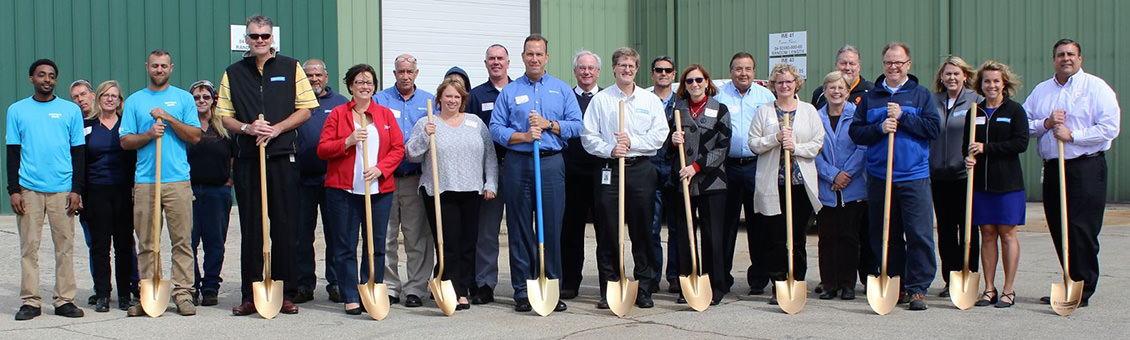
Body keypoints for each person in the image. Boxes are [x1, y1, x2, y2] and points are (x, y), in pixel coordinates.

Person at [216, 14, 318, 316]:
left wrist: (277, 129)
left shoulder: (290, 67)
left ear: (271, 37)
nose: (259, 41)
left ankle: (285, 292)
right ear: (246, 39)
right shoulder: (233, 72)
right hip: (249, 159)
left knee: (285, 227)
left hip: (282, 157)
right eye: (254, 36)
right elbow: (225, 116)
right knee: (252, 228)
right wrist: (248, 128)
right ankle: (251, 293)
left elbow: (306, 109)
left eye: (264, 36)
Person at [489, 34, 582, 313]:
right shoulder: (509, 91)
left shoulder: (562, 90)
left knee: (551, 227)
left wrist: (549, 125)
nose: (534, 58)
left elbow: (577, 125)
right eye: (529, 54)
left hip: (552, 163)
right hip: (518, 164)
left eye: (539, 54)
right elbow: (495, 128)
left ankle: (551, 285)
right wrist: (523, 135)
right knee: (519, 229)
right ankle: (522, 289)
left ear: (547, 57)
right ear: (522, 57)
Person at [1025, 39, 1120, 308]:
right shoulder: (1042, 91)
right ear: (1053, 59)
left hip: (1085, 166)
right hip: (1055, 168)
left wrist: (1073, 135)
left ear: (1080, 58)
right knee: (1059, 226)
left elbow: (1110, 128)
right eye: (1060, 55)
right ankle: (1070, 280)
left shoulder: (1095, 87)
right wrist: (1045, 123)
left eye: (1070, 54)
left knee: (1082, 229)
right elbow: (1024, 123)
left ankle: (1083, 288)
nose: (1065, 58)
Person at [849, 42, 940, 311]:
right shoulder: (870, 98)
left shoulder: (921, 95)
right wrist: (880, 128)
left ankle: (918, 288)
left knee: (919, 233)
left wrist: (903, 118)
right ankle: (895, 281)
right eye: (889, 62)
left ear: (908, 65)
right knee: (885, 233)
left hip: (913, 175)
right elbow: (856, 132)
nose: (893, 67)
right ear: (883, 64)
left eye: (899, 62)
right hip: (880, 177)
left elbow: (933, 129)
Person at [581, 46, 669, 309]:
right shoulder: (602, 100)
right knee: (608, 230)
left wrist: (633, 142)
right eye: (622, 65)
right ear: (614, 68)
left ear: (636, 69)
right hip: (609, 168)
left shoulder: (648, 101)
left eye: (631, 66)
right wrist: (610, 148)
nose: (627, 69)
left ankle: (644, 287)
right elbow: (588, 136)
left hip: (641, 168)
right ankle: (610, 287)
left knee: (643, 229)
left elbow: (659, 134)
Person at [120, 49, 203, 316]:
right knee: (147, 241)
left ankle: (183, 293)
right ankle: (148, 293)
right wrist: (148, 133)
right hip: (145, 181)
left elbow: (194, 135)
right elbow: (125, 141)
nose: (159, 70)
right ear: (147, 67)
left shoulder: (183, 98)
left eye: (163, 66)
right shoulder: (134, 101)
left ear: (171, 68)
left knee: (182, 241)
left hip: (177, 180)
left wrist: (168, 119)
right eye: (154, 66)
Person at [317, 63, 404, 315]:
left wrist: (381, 168)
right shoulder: (337, 114)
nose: (364, 86)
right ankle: (350, 294)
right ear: (350, 87)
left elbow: (398, 148)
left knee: (376, 244)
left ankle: (371, 288)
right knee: (345, 245)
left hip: (379, 190)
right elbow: (323, 149)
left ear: (374, 87)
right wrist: (348, 141)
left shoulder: (385, 115)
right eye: (359, 82)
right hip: (343, 191)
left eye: (369, 82)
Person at [406, 79, 498, 310]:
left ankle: (462, 290)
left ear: (463, 100)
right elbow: (412, 155)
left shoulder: (475, 123)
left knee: (468, 243)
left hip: (471, 190)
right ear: (439, 99)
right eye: (448, 96)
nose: (452, 101)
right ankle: (447, 286)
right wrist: (425, 136)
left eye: (457, 97)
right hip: (440, 191)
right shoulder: (427, 122)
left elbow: (490, 155)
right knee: (447, 244)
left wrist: (491, 183)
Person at [8, 59, 87, 321]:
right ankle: (30, 301)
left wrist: (76, 189)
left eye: (52, 75)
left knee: (64, 248)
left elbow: (79, 153)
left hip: (62, 190)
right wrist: (14, 190)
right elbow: (12, 152)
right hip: (28, 188)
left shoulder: (70, 111)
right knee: (28, 248)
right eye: (41, 75)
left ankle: (64, 300)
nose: (47, 79)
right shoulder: (17, 110)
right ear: (31, 78)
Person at [748, 63, 824, 305]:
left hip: (799, 184)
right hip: (774, 183)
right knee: (776, 238)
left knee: (798, 237)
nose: (784, 86)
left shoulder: (809, 111)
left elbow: (817, 143)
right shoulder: (764, 111)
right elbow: (754, 143)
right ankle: (778, 283)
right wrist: (776, 138)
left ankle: (797, 280)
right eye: (780, 82)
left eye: (789, 81)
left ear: (796, 84)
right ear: (774, 85)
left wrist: (796, 147)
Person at [809, 46, 875, 294]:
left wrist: (846, 174)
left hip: (853, 186)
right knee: (826, 239)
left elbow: (863, 148)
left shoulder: (857, 116)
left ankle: (847, 284)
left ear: (848, 92)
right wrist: (831, 174)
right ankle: (829, 284)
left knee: (849, 238)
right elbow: (812, 151)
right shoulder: (815, 117)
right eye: (831, 88)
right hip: (826, 187)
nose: (836, 92)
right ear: (824, 91)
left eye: (841, 88)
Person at [964, 60, 1028, 308]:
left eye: (995, 81)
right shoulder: (975, 112)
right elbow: (966, 146)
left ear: (1004, 84)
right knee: (987, 234)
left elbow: (1020, 143)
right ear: (980, 85)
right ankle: (989, 288)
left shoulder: (1014, 111)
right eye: (987, 81)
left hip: (1008, 185)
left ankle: (1009, 289)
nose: (991, 85)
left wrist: (986, 148)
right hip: (981, 186)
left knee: (1007, 234)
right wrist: (967, 158)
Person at [665, 64, 730, 305]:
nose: (695, 84)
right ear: (684, 85)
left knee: (713, 235)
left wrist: (697, 166)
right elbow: (665, 147)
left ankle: (715, 286)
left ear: (707, 81)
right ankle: (687, 284)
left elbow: (723, 146)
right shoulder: (677, 110)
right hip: (682, 181)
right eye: (689, 81)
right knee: (684, 234)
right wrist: (672, 141)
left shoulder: (719, 109)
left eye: (699, 80)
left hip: (711, 181)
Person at [375, 54, 435, 308]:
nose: (405, 76)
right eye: (401, 71)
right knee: (386, 235)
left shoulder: (429, 101)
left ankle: (416, 288)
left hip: (414, 178)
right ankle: (389, 286)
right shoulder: (380, 100)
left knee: (416, 236)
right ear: (394, 73)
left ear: (416, 73)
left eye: (410, 71)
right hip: (385, 178)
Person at [714, 52, 776, 296]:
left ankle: (759, 279)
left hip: (756, 165)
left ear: (754, 71)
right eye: (738, 69)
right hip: (726, 166)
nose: (743, 73)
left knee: (758, 224)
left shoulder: (766, 96)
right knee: (726, 225)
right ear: (731, 71)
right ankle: (723, 277)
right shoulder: (720, 96)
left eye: (748, 69)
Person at [295, 58, 349, 304]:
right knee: (302, 235)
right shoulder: (293, 102)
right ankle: (304, 284)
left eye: (318, 75)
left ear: (326, 77)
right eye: (309, 75)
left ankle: (336, 283)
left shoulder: (340, 104)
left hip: (333, 180)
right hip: (301, 181)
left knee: (336, 234)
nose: (314, 79)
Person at [929, 55, 983, 298]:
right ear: (941, 77)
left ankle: (968, 275)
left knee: (969, 229)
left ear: (965, 76)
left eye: (956, 73)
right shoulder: (934, 101)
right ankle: (950, 278)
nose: (951, 77)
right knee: (947, 230)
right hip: (939, 177)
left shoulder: (975, 102)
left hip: (965, 176)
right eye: (947, 73)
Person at [83, 80, 138, 312]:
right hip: (96, 191)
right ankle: (103, 294)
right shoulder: (87, 126)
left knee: (124, 244)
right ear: (99, 98)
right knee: (99, 245)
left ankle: (125, 294)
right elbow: (79, 160)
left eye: (114, 95)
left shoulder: (127, 126)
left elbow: (135, 158)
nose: (109, 99)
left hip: (123, 191)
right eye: (105, 95)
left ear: (119, 100)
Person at [465, 44, 511, 305]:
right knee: (487, 232)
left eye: (500, 58)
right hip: (488, 172)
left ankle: (523, 283)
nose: (496, 62)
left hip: (517, 168)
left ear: (508, 62)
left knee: (520, 230)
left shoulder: (519, 89)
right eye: (491, 59)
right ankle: (485, 283)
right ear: (486, 64)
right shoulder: (475, 96)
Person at [186, 80, 233, 307]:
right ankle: (192, 285)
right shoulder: (186, 126)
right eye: (196, 97)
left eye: (205, 97)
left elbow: (234, 156)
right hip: (190, 190)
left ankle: (211, 286)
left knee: (215, 242)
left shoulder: (222, 127)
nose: (201, 101)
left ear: (213, 100)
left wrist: (229, 181)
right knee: (189, 241)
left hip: (217, 191)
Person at [561, 50, 602, 300]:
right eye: (581, 68)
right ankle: (570, 281)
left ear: (598, 72)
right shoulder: (566, 98)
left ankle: (607, 284)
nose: (586, 72)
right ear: (575, 72)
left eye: (591, 68)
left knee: (606, 232)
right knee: (570, 231)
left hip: (601, 173)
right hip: (571, 174)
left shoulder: (607, 98)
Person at [649, 55, 679, 293]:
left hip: (675, 167)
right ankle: (651, 275)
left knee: (677, 225)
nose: (663, 73)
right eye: (659, 70)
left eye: (667, 70)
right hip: (650, 166)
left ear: (674, 74)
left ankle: (676, 276)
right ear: (652, 74)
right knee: (651, 226)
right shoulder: (644, 100)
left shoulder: (682, 102)